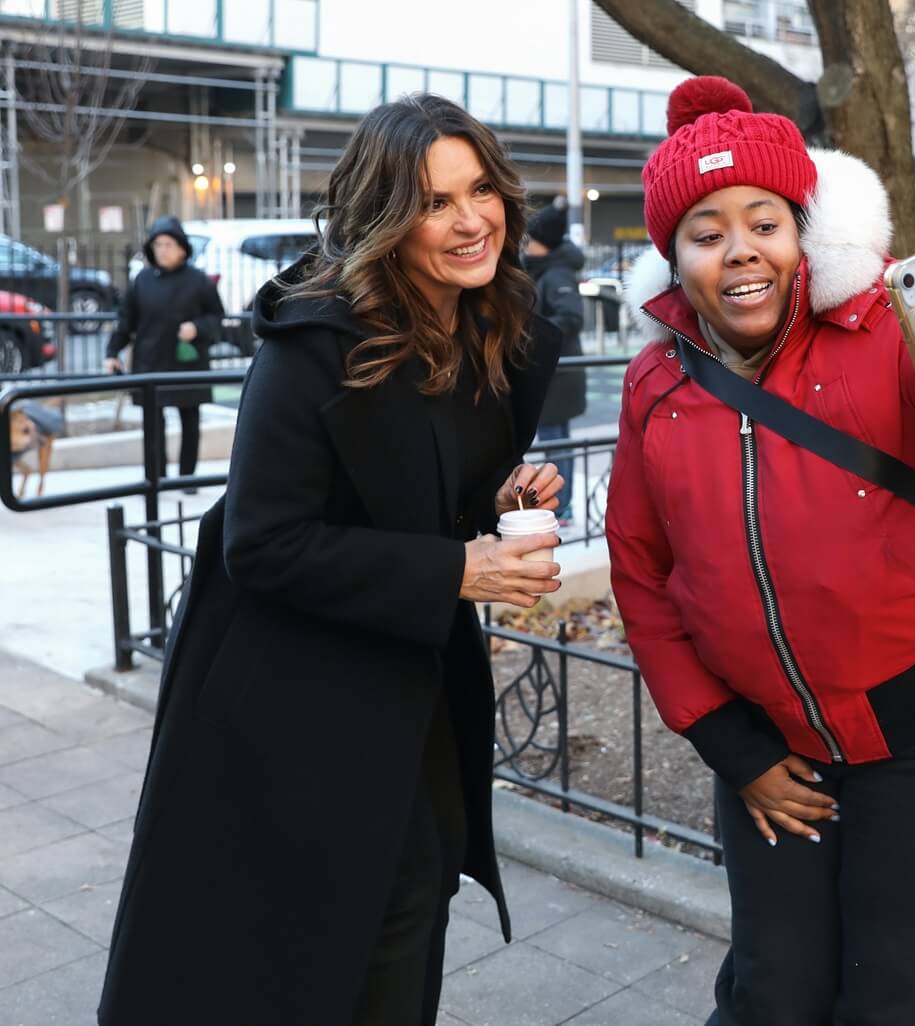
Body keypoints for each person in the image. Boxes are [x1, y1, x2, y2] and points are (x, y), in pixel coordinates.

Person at [608, 77, 915, 1026]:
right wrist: (728, 744)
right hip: (778, 753)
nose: (739, 251)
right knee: (772, 996)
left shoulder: (892, 319)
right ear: (673, 259)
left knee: (906, 1004)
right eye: (705, 231)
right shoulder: (655, 383)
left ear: (802, 230)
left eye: (763, 220)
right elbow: (640, 572)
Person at [98, 95, 566, 1026]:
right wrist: (455, 572)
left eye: (481, 190)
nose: (471, 219)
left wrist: (498, 503)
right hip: (287, 698)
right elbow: (264, 542)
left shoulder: (487, 329)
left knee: (416, 896)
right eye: (435, 202)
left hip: (408, 681)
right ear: (387, 217)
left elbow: (423, 490)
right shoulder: (313, 343)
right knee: (300, 942)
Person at [104, 216, 225, 486]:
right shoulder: (142, 281)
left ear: (182, 248)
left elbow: (217, 318)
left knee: (189, 422)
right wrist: (112, 352)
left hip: (188, 365)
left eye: (169, 244)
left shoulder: (199, 281)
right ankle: (155, 477)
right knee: (153, 426)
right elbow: (126, 321)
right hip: (150, 363)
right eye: (158, 244)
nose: (163, 250)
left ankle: (187, 478)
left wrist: (197, 328)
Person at [524, 197, 586, 525]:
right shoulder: (546, 270)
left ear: (543, 243)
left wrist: (532, 336)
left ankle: (561, 508)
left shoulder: (556, 274)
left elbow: (571, 317)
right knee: (555, 440)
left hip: (558, 374)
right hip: (554, 373)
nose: (527, 246)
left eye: (531, 240)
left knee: (556, 443)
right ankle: (561, 506)